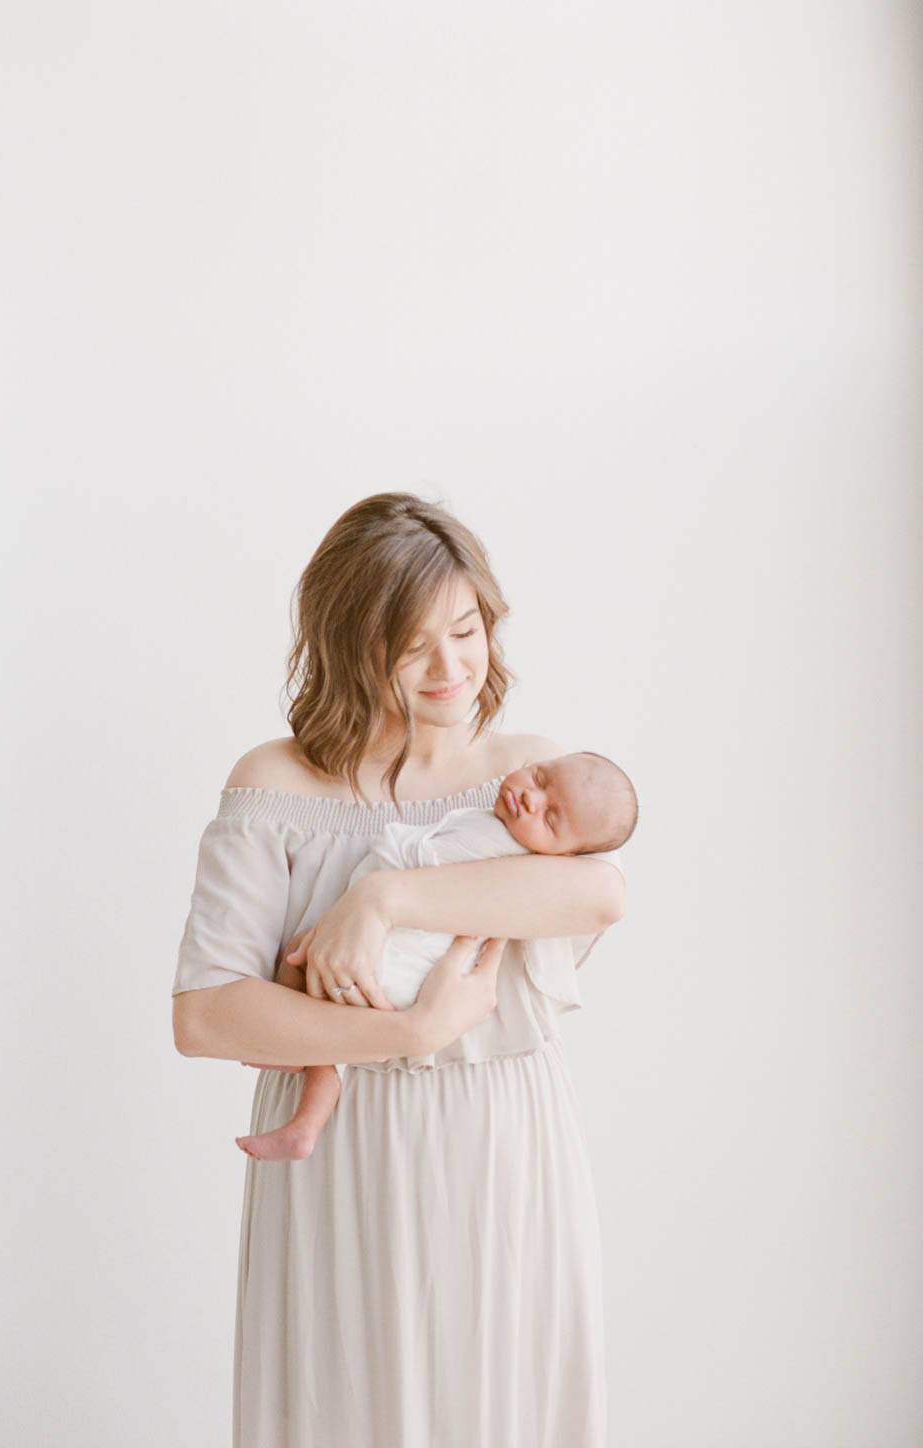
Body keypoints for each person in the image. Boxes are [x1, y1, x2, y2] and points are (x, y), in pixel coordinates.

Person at [171, 491, 629, 1448]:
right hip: (344, 1148)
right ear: (349, 642)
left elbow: (597, 898)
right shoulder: (276, 784)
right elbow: (208, 1014)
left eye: (466, 631)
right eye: (413, 643)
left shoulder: (528, 781)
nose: (451, 667)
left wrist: (384, 901)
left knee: (500, 1395)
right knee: (351, 1401)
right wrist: (406, 1032)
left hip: (503, 1140)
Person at [234, 749, 637, 1162]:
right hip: (405, 961)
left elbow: (424, 859)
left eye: (551, 818)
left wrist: (386, 866)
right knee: (313, 976)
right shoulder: (504, 831)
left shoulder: (501, 845)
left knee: (303, 957)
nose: (532, 798)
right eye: (539, 777)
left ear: (566, 856)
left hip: (400, 960)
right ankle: (305, 1112)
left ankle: (289, 1059)